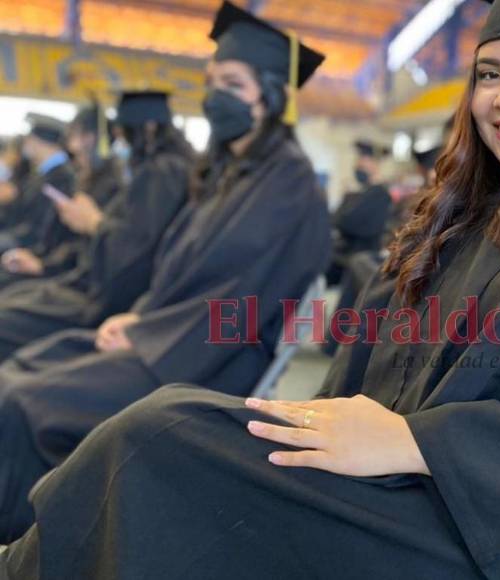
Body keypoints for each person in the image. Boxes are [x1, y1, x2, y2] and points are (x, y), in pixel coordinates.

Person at [0, 1, 500, 579]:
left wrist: (416, 442)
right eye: (488, 74)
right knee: (156, 439)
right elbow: (359, 369)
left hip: (471, 526)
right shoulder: (450, 220)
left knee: (155, 437)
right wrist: (314, 424)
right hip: (369, 478)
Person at [0, 0, 329, 542]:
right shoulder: (231, 174)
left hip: (204, 362)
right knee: (24, 365)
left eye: (232, 82)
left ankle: (29, 546)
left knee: (22, 402)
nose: (214, 94)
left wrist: (145, 330)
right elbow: (183, 274)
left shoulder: (287, 186)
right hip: (167, 338)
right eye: (211, 80)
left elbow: (243, 300)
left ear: (271, 95)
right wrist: (138, 314)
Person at [0, 92, 193, 362]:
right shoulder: (154, 171)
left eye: (124, 132)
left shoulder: (162, 173)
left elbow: (137, 249)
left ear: (147, 128)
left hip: (101, 300)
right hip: (83, 280)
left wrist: (94, 223)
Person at [0, 115, 76, 277]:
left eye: (30, 138)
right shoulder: (43, 173)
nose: (25, 143)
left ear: (39, 142)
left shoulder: (61, 177)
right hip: (19, 238)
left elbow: (41, 229)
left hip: (32, 250)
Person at [326, 139, 393, 285]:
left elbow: (348, 222)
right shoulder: (362, 193)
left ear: (375, 164)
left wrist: (343, 214)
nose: (358, 166)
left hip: (358, 258)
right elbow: (336, 219)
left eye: (363, 161)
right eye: (358, 161)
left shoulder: (380, 194)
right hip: (346, 255)